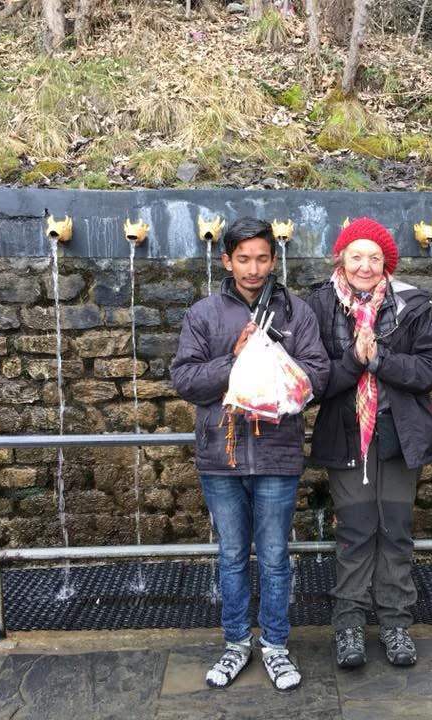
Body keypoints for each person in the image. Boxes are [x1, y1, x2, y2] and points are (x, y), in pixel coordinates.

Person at [170, 217, 330, 692]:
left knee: (276, 555)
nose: (253, 268)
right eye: (243, 259)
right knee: (233, 555)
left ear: (273, 259)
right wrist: (235, 360)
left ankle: (276, 646)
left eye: (262, 258)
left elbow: (318, 375)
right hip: (220, 455)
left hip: (277, 453)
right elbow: (185, 380)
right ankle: (236, 643)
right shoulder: (204, 314)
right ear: (227, 261)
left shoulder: (296, 312)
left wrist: (270, 359)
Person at [305, 217, 432, 669]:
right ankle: (349, 624)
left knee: (395, 530)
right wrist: (354, 360)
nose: (365, 266)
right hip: (346, 433)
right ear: (341, 259)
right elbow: (311, 380)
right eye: (356, 256)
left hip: (398, 434)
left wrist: (380, 360)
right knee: (355, 530)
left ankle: (395, 623)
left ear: (387, 262)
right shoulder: (319, 305)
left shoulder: (412, 304)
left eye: (374, 257)